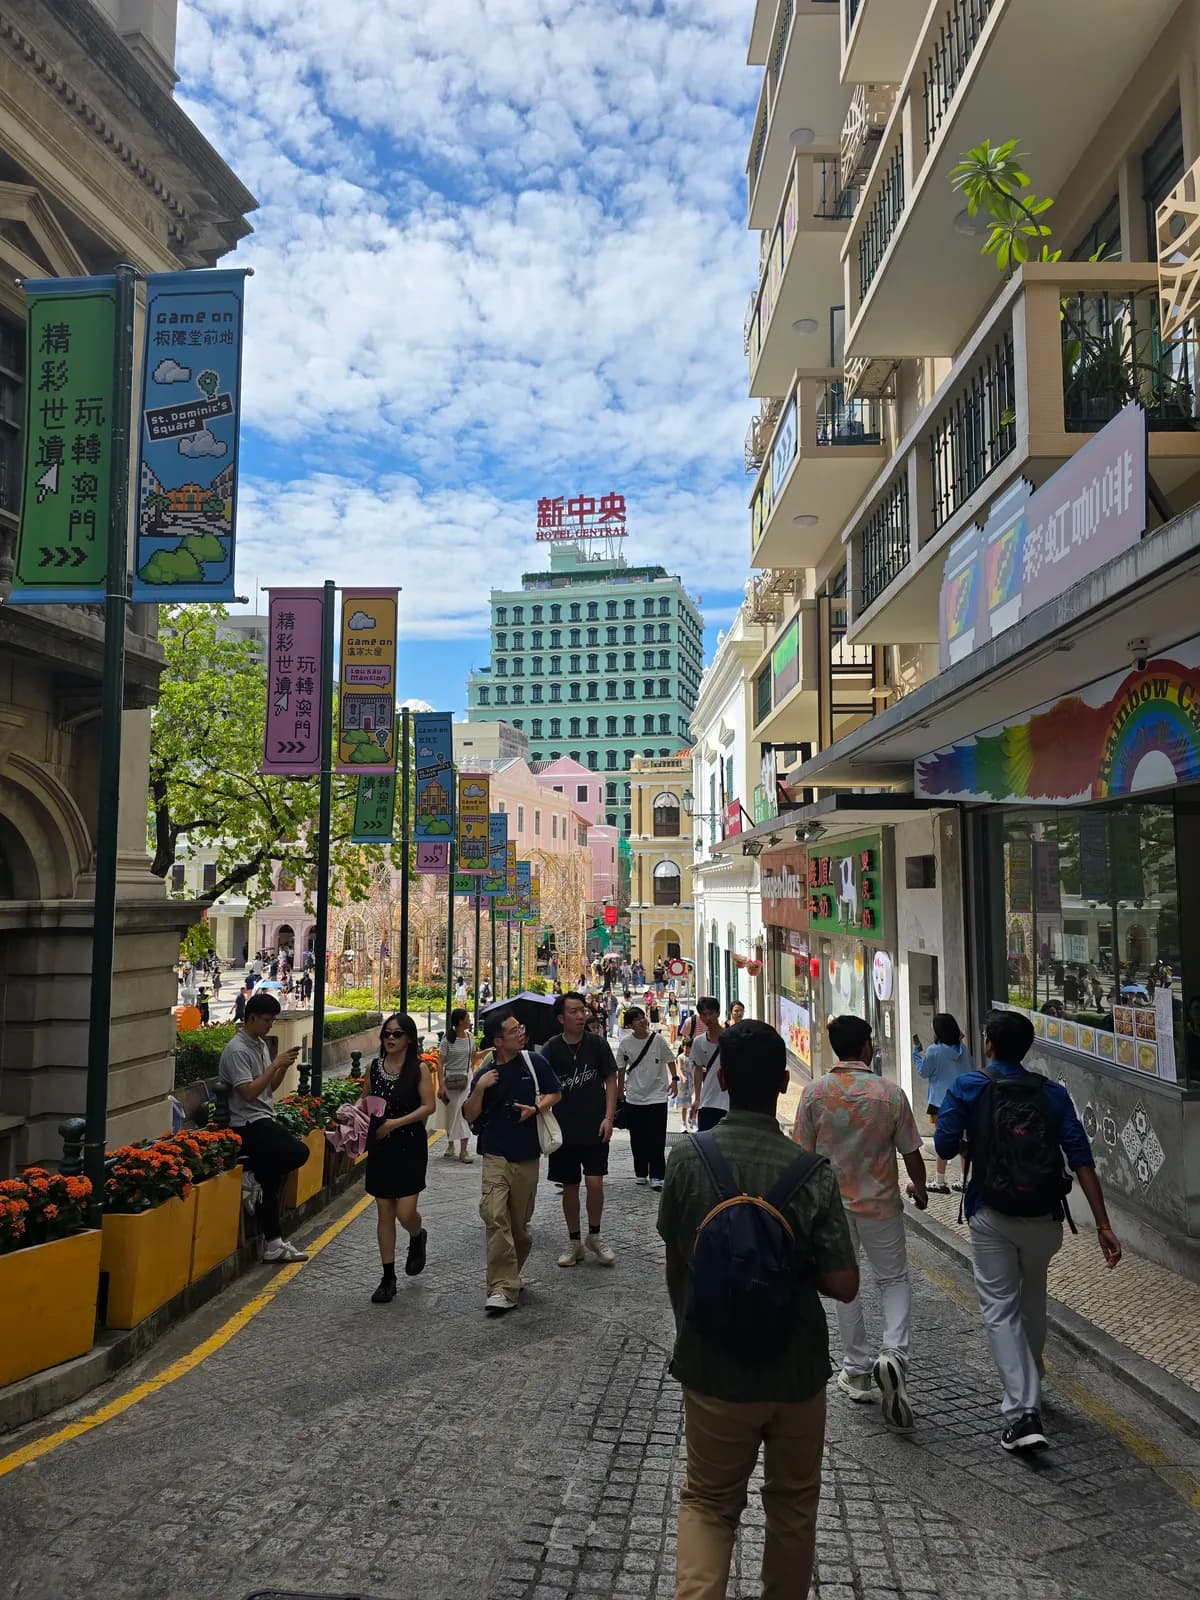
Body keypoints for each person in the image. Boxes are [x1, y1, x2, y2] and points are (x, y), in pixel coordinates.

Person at [657, 1020, 859, 1600]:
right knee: (793, 1506)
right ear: (781, 1084)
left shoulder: (689, 1158)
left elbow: (677, 1256)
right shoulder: (811, 1173)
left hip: (713, 1365)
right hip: (795, 1371)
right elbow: (845, 1283)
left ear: (721, 1076)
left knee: (707, 1501)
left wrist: (687, 1329)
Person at [935, 1009, 1121, 1452]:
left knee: (1000, 1308)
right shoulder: (1052, 1094)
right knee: (1033, 1299)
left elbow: (942, 1144)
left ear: (990, 1045)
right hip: (1044, 1218)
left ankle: (1022, 1414)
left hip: (991, 1213)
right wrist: (1102, 1223)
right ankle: (1031, 1380)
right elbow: (1080, 1157)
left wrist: (967, 1136)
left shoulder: (969, 1086)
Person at [794, 1015, 928, 1429]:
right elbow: (910, 1153)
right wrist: (920, 1189)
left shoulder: (815, 1093)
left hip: (832, 1207)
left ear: (834, 1047)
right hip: (881, 1205)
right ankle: (895, 1354)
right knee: (893, 1280)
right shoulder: (889, 1093)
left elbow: (803, 1154)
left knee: (844, 1283)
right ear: (868, 1045)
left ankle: (856, 1367)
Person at [462, 1014, 562, 1313]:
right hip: (494, 1153)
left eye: (521, 1027)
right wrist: (480, 1087)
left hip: (526, 1155)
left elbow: (555, 1092)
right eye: (514, 1030)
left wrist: (534, 1108)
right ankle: (502, 1287)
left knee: (518, 1226)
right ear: (497, 1041)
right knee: (494, 1216)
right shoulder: (486, 1072)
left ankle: (509, 1275)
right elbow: (469, 1115)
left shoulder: (534, 1063)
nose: (522, 1033)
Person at [218, 991, 309, 1263]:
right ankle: (253, 1178)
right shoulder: (237, 1050)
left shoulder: (259, 1044)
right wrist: (275, 1065)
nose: (270, 1025)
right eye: (267, 1020)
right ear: (252, 1017)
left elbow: (269, 1088)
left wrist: (281, 1066)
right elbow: (248, 1093)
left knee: (270, 1179)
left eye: (273, 1020)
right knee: (297, 1153)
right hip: (246, 1123)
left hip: (263, 1117)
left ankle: (273, 1243)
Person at [541, 991, 619, 1267]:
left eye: (582, 1010)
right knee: (570, 1186)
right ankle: (574, 1241)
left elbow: (611, 1079)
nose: (580, 1015)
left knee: (595, 1182)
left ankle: (595, 1235)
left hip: (595, 1125)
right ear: (561, 1018)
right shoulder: (551, 1048)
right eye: (573, 1011)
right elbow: (542, 1085)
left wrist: (609, 1117)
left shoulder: (597, 1044)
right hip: (563, 1130)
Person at [362, 1013, 436, 1303]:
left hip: (409, 1145)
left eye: (397, 1034)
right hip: (381, 1146)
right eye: (386, 1034)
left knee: (405, 1213)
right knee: (384, 1213)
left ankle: (417, 1235)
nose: (390, 1039)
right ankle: (387, 1276)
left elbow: (428, 1107)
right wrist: (352, 1111)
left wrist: (395, 1123)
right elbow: (365, 1098)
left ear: (408, 1038)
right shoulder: (374, 1068)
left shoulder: (418, 1069)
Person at [616, 1005, 677, 1189]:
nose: (642, 1020)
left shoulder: (657, 1039)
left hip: (657, 1096)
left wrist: (674, 1079)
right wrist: (620, 1093)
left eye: (643, 1016)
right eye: (637, 1019)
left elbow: (670, 1059)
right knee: (638, 1138)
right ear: (630, 1025)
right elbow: (620, 1069)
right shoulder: (626, 1043)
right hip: (634, 1097)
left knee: (657, 1138)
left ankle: (657, 1175)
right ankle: (641, 1172)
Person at [913, 1013, 974, 1193]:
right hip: (964, 1101)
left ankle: (940, 1181)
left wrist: (916, 1054)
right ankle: (964, 1181)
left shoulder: (934, 1050)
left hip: (941, 1103)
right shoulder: (963, 1049)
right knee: (963, 1140)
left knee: (942, 1138)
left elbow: (924, 1072)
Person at [437, 1008, 478, 1163]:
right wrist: (441, 1084)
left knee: (463, 1114)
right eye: (467, 1017)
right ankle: (450, 1144)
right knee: (452, 1113)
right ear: (461, 1021)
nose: (469, 1020)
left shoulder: (470, 1037)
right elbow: (440, 1062)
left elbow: (473, 1058)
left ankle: (464, 1150)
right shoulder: (447, 1039)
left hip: (466, 1080)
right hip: (450, 1080)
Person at [688, 997, 727, 1133]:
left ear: (717, 1013)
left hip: (729, 1103)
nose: (708, 1018)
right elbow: (697, 1070)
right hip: (707, 1101)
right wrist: (697, 1098)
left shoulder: (731, 1038)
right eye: (704, 1015)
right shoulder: (698, 1042)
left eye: (710, 1013)